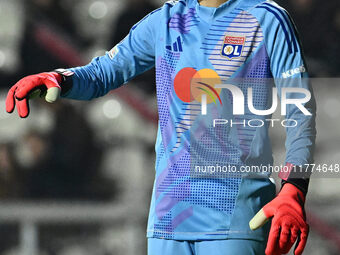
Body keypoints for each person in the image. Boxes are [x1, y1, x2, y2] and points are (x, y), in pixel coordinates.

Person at [6, 0, 316, 254]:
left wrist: (294, 188)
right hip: (168, 221)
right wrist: (60, 78)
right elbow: (104, 72)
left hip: (235, 219)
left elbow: (300, 111)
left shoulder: (267, 18)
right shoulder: (166, 19)